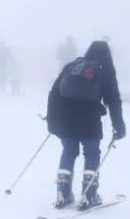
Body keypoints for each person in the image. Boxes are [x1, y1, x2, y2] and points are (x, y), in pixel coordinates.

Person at [46, 40, 125, 209]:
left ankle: (63, 192)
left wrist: (52, 120)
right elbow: (113, 100)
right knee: (91, 154)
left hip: (66, 119)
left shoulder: (72, 66)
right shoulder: (105, 72)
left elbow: (54, 93)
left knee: (68, 152)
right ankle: (89, 194)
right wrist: (119, 125)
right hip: (89, 120)